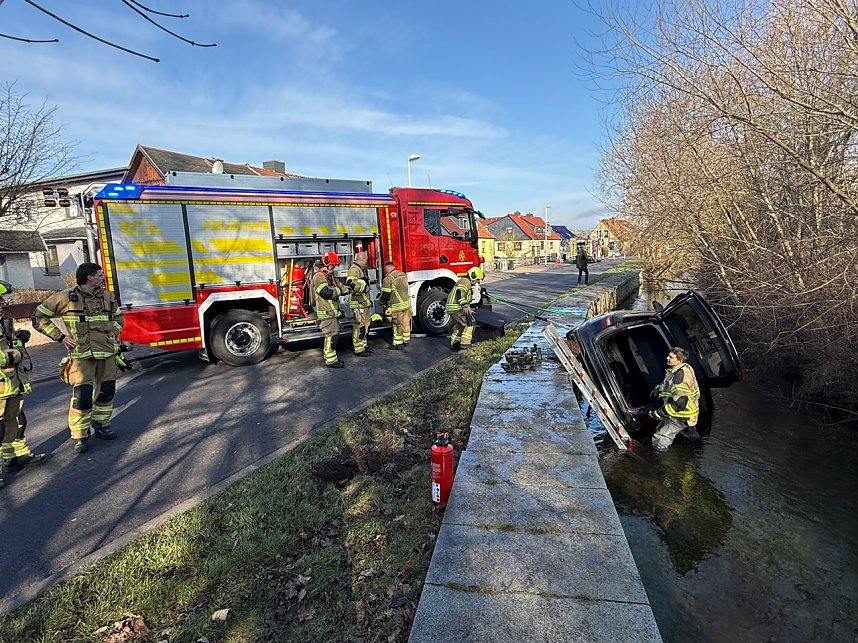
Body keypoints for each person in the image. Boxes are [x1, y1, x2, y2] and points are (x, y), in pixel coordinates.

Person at [32, 263, 124, 454]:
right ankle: (81, 435)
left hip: (106, 353)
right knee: (82, 397)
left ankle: (102, 424)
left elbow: (119, 319)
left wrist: (112, 333)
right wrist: (61, 337)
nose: (102, 278)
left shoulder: (107, 297)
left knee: (106, 391)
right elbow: (39, 317)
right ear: (89, 277)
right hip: (81, 356)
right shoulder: (66, 297)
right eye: (99, 275)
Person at [1, 280, 47, 486]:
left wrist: (20, 340)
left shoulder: (2, 321)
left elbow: (13, 348)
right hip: (3, 386)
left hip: (12, 383)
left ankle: (17, 457)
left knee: (17, 422)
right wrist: (11, 356)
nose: (3, 303)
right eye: (0, 299)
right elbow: (9, 355)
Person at [651, 346, 701, 450]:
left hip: (680, 414)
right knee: (689, 432)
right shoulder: (685, 367)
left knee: (661, 437)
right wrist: (658, 388)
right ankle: (696, 449)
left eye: (671, 357)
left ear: (679, 360)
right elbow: (669, 384)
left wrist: (659, 413)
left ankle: (660, 460)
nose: (667, 358)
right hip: (690, 411)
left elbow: (679, 403)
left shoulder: (680, 377)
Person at [311, 251, 350, 368]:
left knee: (335, 334)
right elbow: (326, 293)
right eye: (332, 266)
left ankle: (331, 358)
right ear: (326, 264)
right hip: (327, 313)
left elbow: (339, 285)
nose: (334, 268)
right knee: (331, 336)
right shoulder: (318, 276)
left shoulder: (330, 275)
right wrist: (340, 291)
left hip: (333, 312)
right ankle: (330, 360)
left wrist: (345, 288)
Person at [446, 267, 482, 351]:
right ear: (473, 277)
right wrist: (465, 306)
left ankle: (455, 344)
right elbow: (460, 292)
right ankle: (465, 343)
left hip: (452, 307)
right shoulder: (466, 282)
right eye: (477, 280)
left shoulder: (463, 281)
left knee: (459, 326)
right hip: (457, 307)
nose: (477, 282)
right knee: (470, 323)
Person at [379, 261, 411, 350]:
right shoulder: (403, 275)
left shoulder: (388, 279)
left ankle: (397, 343)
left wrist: (381, 303)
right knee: (405, 323)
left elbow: (386, 295)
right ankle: (406, 340)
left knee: (397, 325)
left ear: (387, 268)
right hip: (406, 305)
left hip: (397, 307)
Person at [347, 251, 373, 357]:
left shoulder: (360, 270)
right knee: (359, 327)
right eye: (365, 260)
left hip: (363, 304)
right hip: (358, 305)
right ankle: (358, 348)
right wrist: (365, 287)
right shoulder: (354, 270)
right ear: (361, 259)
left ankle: (363, 345)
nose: (366, 262)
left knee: (365, 326)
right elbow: (351, 284)